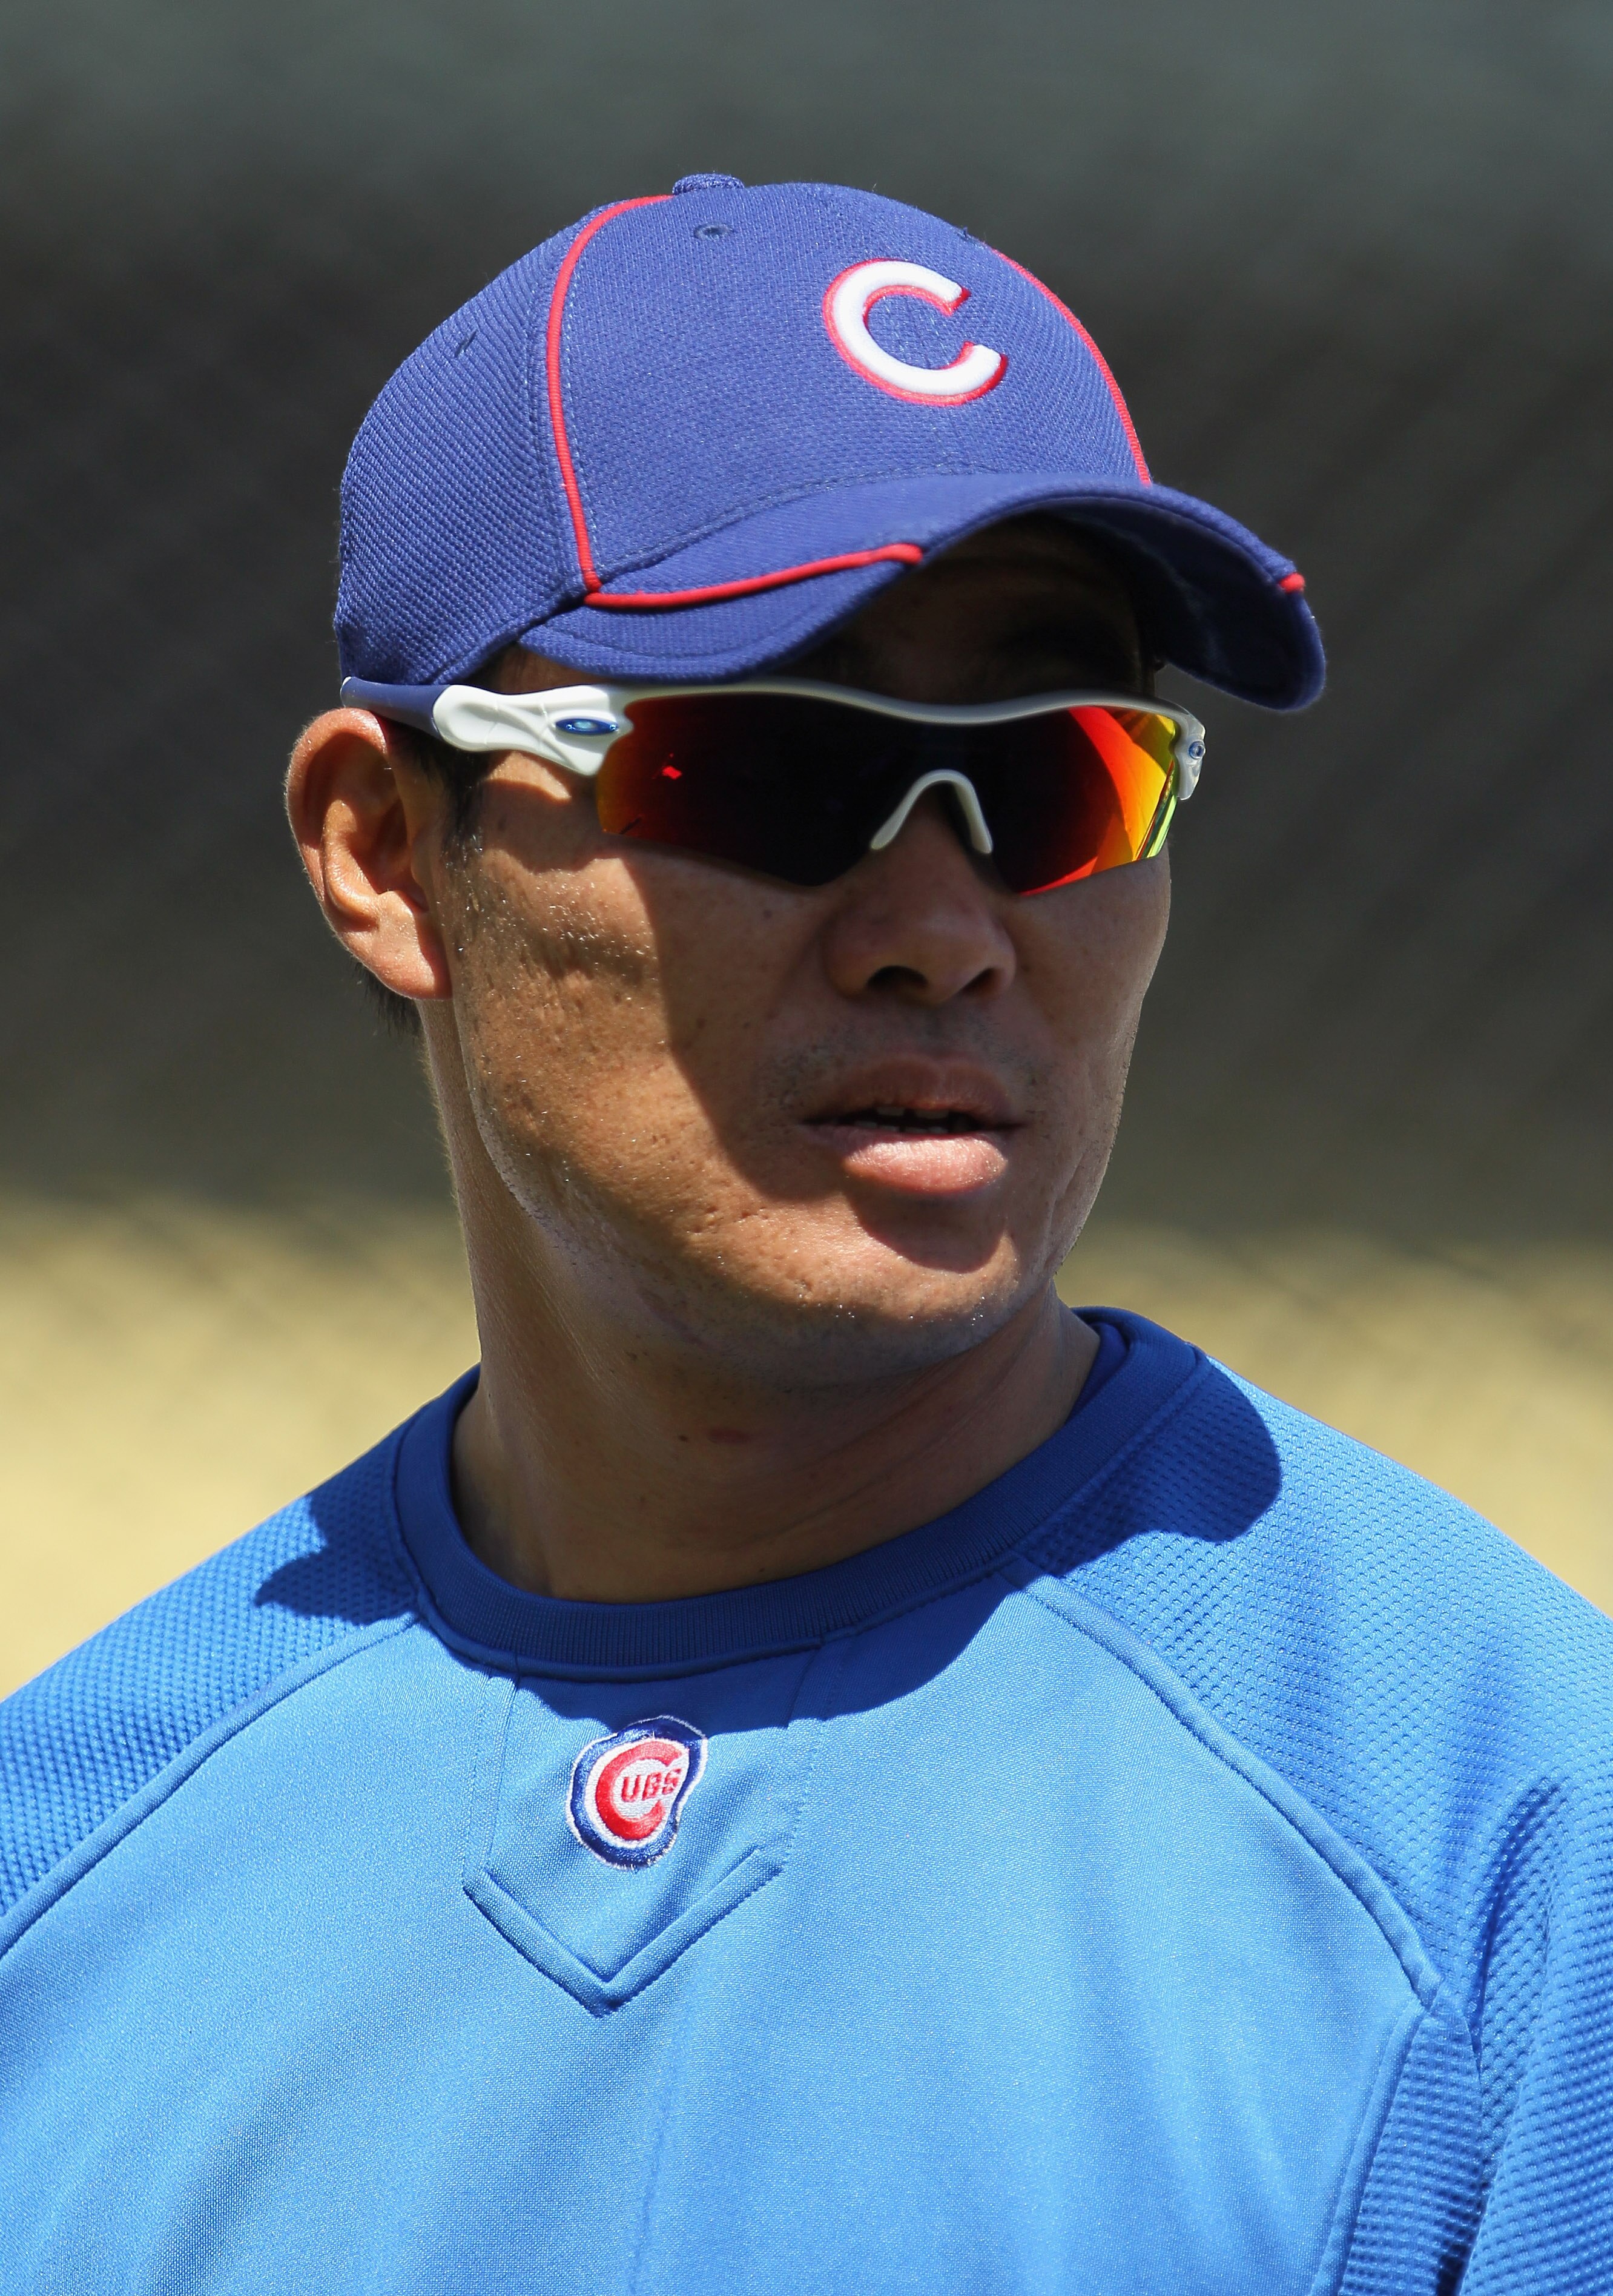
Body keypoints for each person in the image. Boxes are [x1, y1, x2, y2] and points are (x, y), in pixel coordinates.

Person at [1, 175, 1608, 2294]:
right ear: (388, 853)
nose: (946, 933)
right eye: (763, 765)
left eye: (1060, 779)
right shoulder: (70, 1878)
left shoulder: (1509, 1848)